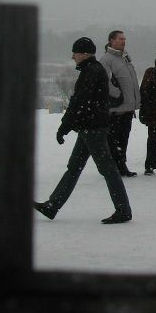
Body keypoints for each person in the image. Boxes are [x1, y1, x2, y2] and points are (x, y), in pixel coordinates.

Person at [34, 37, 132, 224]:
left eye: (75, 52)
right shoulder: (93, 70)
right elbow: (84, 101)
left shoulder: (91, 71)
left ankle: (123, 210)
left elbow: (80, 101)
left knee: (107, 169)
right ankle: (52, 205)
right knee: (75, 167)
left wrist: (65, 125)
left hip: (93, 129)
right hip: (90, 127)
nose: (72, 56)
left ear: (84, 54)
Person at [100, 28, 141, 177]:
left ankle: (120, 165)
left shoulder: (125, 57)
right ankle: (113, 167)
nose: (123, 41)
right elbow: (105, 82)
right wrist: (119, 96)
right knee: (114, 140)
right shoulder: (106, 59)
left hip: (127, 108)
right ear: (111, 41)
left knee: (123, 138)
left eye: (124, 39)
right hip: (116, 109)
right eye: (120, 39)